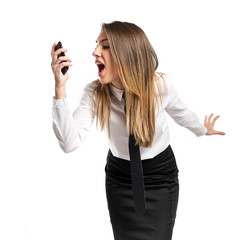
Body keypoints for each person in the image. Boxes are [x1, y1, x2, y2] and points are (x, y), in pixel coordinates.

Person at [50, 21, 225, 240]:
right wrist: (60, 88)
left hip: (160, 178)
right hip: (119, 179)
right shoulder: (94, 92)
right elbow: (69, 143)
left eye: (105, 46)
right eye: (96, 45)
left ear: (126, 53)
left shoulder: (160, 86)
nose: (94, 52)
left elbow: (181, 113)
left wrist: (202, 129)